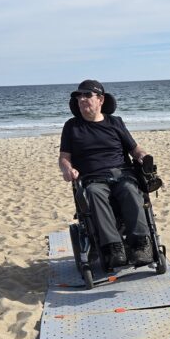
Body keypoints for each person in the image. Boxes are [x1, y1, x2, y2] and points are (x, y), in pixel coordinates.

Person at [59, 79, 153, 268]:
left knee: (130, 189)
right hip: (93, 178)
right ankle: (113, 247)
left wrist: (143, 156)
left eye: (87, 95)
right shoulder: (72, 126)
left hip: (122, 173)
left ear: (100, 99)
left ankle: (140, 244)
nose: (82, 99)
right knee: (94, 193)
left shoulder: (115, 122)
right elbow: (64, 157)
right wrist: (68, 169)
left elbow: (135, 149)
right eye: (79, 96)